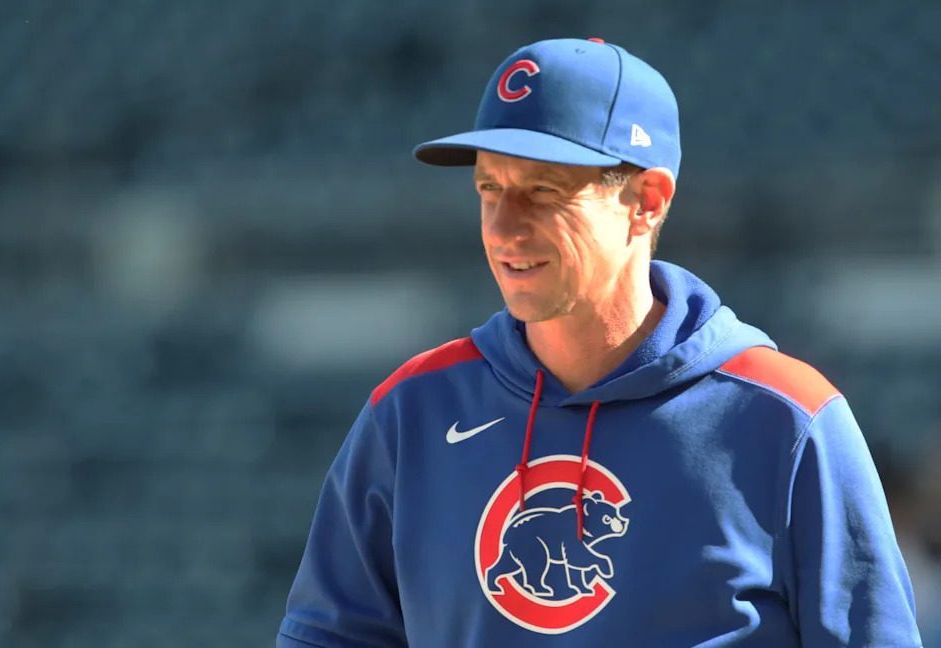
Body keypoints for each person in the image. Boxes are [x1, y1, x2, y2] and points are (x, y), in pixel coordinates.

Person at [277, 37, 922, 647]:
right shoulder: (410, 411)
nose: (504, 229)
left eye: (542, 192)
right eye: (489, 189)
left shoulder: (788, 417)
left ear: (646, 200)